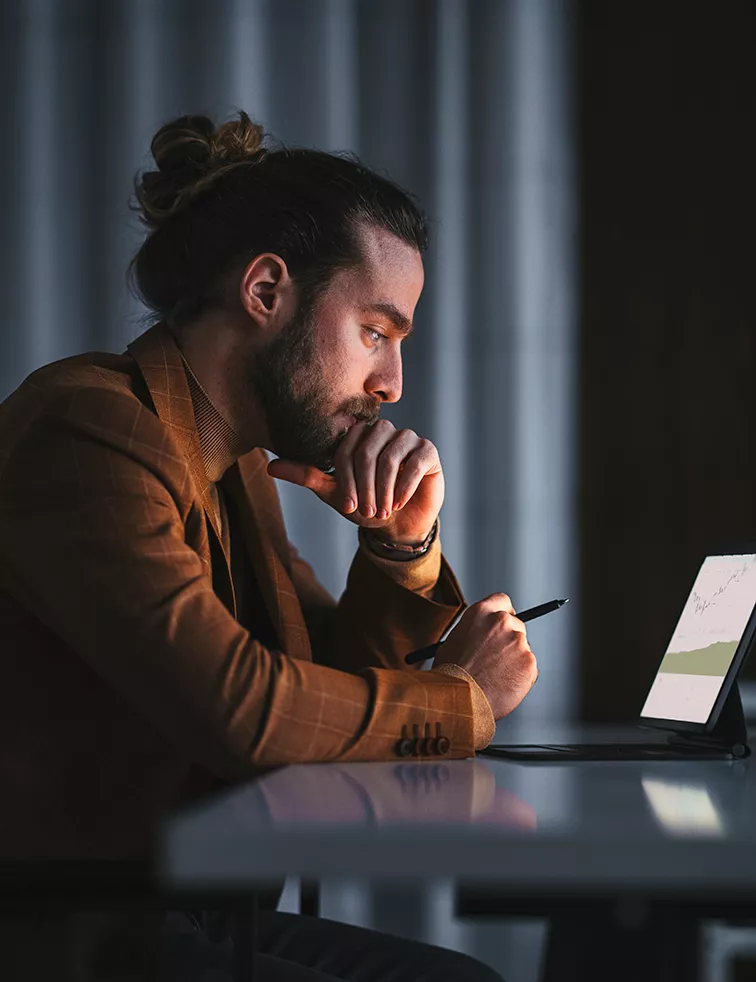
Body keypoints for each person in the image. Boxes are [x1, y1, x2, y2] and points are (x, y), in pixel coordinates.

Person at [0, 111, 538, 981]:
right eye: (376, 332)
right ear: (264, 291)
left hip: (193, 918)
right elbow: (247, 710)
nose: (393, 384)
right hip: (72, 935)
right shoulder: (87, 428)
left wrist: (401, 552)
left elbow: (318, 670)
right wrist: (462, 699)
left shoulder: (235, 466)